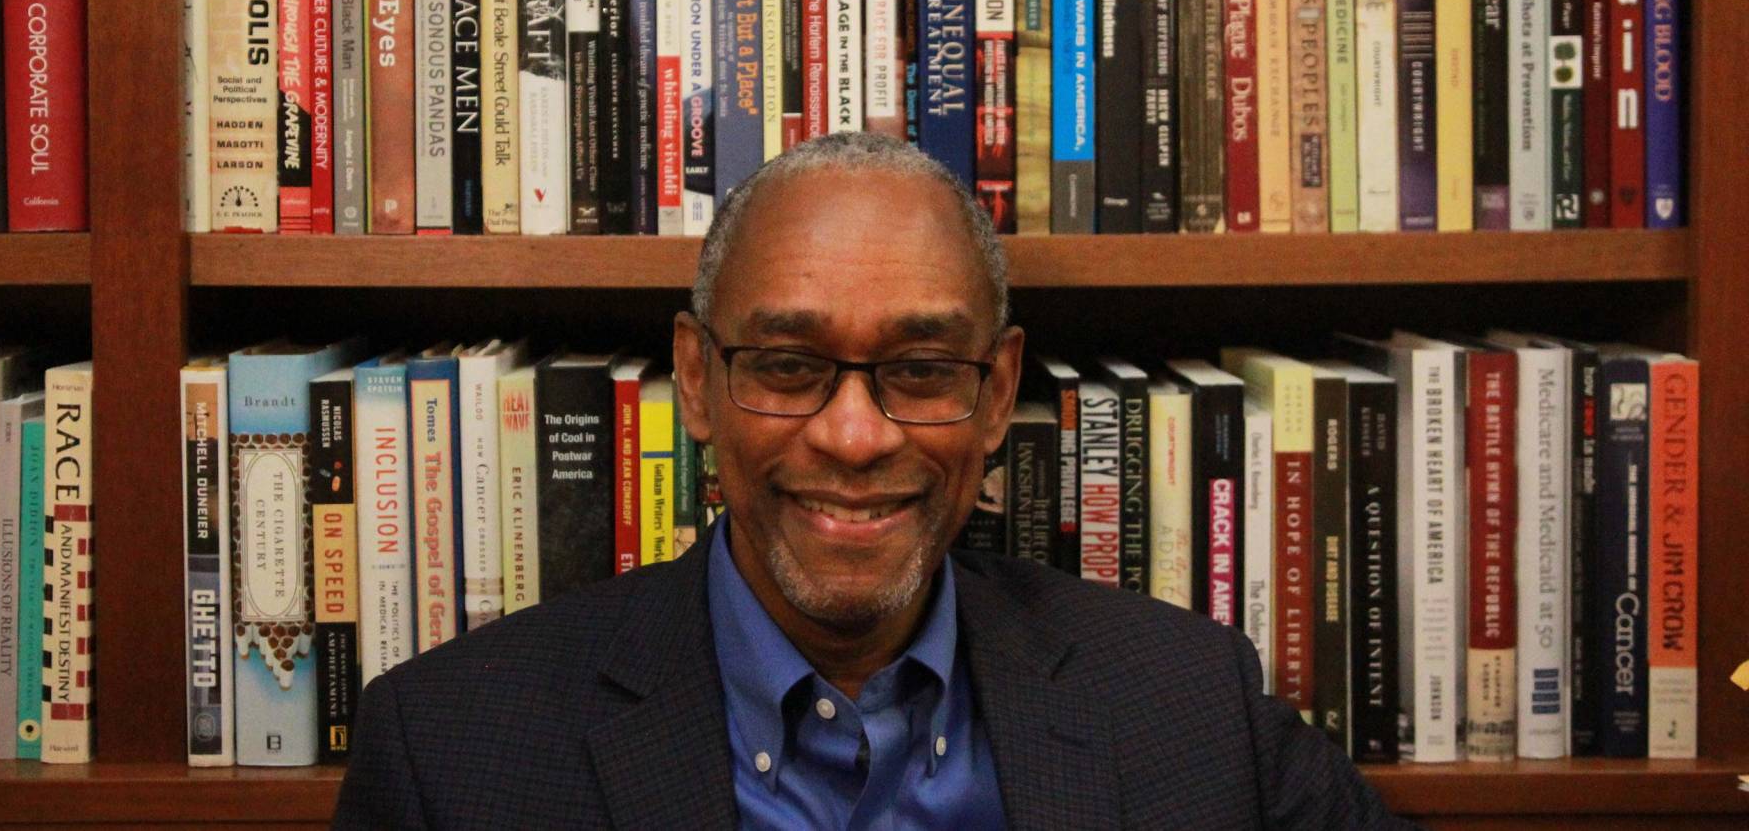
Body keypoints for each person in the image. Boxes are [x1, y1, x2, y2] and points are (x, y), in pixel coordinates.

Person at [334, 132, 1414, 829]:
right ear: (699, 385)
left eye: (922, 371)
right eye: (791, 367)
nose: (854, 437)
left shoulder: (1189, 706)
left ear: (996, 398)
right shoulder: (450, 761)